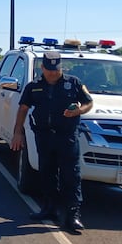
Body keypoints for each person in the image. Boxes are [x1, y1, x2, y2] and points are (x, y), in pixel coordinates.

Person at [10, 51, 93, 234]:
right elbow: (23, 109)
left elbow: (88, 102)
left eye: (55, 70)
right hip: (44, 136)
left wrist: (78, 111)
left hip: (67, 137)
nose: (52, 73)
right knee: (47, 173)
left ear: (60, 67)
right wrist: (17, 132)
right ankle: (49, 208)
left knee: (70, 175)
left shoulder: (73, 83)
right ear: (42, 68)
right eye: (48, 70)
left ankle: (73, 215)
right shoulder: (34, 87)